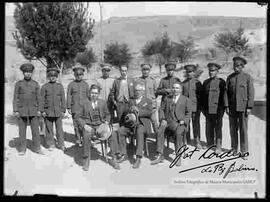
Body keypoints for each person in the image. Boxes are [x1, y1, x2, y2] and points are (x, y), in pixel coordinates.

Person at [110, 82, 152, 169]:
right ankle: (123, 153)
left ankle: (138, 157)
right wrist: (130, 110)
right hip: (130, 125)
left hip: (141, 124)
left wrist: (138, 111)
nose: (137, 92)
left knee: (139, 131)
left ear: (143, 91)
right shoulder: (131, 101)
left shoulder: (148, 101)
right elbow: (125, 112)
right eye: (136, 90)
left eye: (139, 90)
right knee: (120, 131)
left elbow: (149, 112)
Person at [151, 82, 191, 166]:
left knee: (178, 133)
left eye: (177, 88)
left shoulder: (185, 99)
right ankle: (160, 155)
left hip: (179, 122)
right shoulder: (167, 98)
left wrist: (183, 120)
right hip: (167, 121)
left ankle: (178, 156)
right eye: (173, 88)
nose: (174, 89)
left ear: (180, 90)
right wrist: (162, 119)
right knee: (160, 131)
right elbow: (161, 109)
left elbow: (188, 113)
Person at [75, 84, 111, 171]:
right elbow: (77, 117)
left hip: (100, 125)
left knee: (112, 134)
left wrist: (106, 123)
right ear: (89, 93)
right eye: (92, 93)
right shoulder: (83, 103)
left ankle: (113, 158)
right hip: (89, 126)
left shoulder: (102, 102)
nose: (94, 95)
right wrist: (84, 125)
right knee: (86, 136)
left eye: (96, 93)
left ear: (98, 94)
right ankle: (86, 159)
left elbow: (108, 114)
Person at [12, 63, 45, 155]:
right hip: (22, 111)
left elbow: (39, 98)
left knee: (35, 131)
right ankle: (22, 149)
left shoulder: (35, 84)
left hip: (34, 110)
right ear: (23, 73)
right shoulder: (18, 84)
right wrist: (15, 110)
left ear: (32, 73)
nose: (28, 74)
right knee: (22, 131)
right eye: (26, 72)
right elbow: (15, 98)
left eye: (30, 72)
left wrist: (39, 110)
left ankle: (37, 148)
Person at [226, 56, 254, 154]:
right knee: (233, 129)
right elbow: (226, 93)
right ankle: (234, 148)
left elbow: (251, 92)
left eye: (238, 66)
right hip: (232, 108)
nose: (235, 67)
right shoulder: (230, 77)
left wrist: (249, 107)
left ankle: (244, 150)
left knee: (243, 130)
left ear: (242, 66)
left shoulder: (247, 77)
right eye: (234, 65)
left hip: (243, 108)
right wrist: (226, 106)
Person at [202, 63, 227, 153]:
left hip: (218, 109)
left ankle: (218, 146)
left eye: (213, 71)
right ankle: (210, 144)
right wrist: (203, 109)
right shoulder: (205, 82)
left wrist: (224, 108)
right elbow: (203, 97)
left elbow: (224, 96)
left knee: (218, 128)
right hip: (208, 109)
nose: (211, 72)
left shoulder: (221, 82)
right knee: (208, 127)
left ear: (217, 71)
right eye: (210, 70)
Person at [40, 67, 66, 151]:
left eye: (55, 76)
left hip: (58, 112)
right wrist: (42, 111)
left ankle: (61, 144)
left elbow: (63, 99)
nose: (53, 77)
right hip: (48, 112)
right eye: (51, 76)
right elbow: (41, 100)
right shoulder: (44, 87)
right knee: (48, 129)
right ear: (48, 76)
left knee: (59, 129)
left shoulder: (60, 86)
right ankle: (51, 144)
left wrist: (63, 110)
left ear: (57, 77)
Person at [181, 64, 204, 149]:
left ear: (194, 72)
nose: (189, 73)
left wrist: (200, 107)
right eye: (188, 72)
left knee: (196, 124)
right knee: (186, 123)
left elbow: (201, 96)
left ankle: (197, 141)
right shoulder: (183, 84)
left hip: (195, 107)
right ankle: (186, 140)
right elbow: (182, 97)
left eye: (191, 72)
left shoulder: (197, 83)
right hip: (186, 108)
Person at [67, 64, 89, 147]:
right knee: (76, 125)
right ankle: (78, 139)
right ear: (74, 75)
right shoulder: (71, 85)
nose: (79, 76)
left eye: (80, 75)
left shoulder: (86, 85)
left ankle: (84, 139)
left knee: (84, 125)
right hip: (75, 108)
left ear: (83, 75)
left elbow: (89, 96)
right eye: (77, 75)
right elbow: (69, 95)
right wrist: (68, 107)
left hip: (84, 108)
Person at [135, 63, 159, 133]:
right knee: (142, 123)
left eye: (147, 70)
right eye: (144, 70)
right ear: (141, 71)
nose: (145, 71)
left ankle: (158, 140)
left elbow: (156, 93)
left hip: (152, 107)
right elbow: (136, 93)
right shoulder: (138, 81)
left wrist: (152, 101)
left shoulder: (153, 80)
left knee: (155, 122)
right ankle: (143, 139)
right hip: (142, 107)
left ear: (149, 71)